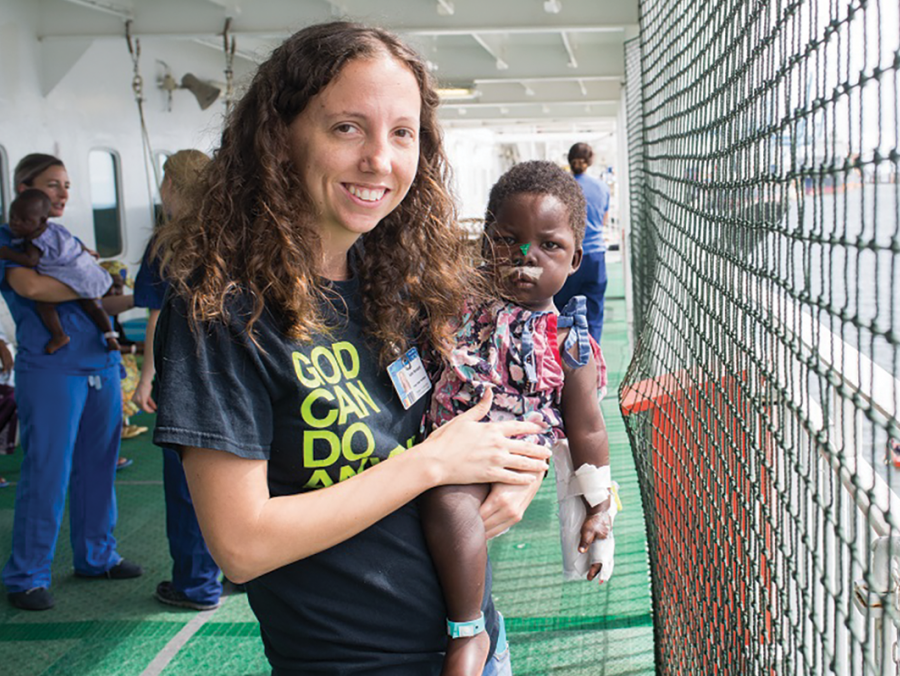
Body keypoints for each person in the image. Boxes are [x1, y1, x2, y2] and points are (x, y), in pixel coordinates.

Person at [151, 21, 551, 674]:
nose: (380, 160)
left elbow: (448, 424)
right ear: (281, 137)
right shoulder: (223, 312)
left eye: (402, 133)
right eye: (347, 127)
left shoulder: (399, 280)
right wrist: (432, 466)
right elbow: (243, 545)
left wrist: (514, 470)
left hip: (474, 644)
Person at [424, 161, 617, 675]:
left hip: (498, 454)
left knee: (449, 505)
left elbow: (588, 428)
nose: (525, 257)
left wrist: (600, 504)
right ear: (486, 243)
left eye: (548, 246)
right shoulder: (458, 306)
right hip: (445, 438)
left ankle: (468, 633)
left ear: (575, 258)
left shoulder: (566, 340)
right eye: (509, 241)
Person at [0, 153, 142, 612]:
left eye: (66, 185)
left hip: (98, 367)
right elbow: (32, 289)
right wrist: (92, 283)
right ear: (26, 189)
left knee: (99, 467)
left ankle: (97, 556)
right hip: (52, 371)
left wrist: (146, 294)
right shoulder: (10, 240)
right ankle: (27, 576)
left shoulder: (67, 239)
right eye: (52, 184)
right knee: (46, 473)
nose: (63, 193)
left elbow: (99, 302)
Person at [133, 149, 223, 612]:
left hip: (186, 380)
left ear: (171, 185)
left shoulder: (165, 244)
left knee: (189, 483)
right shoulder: (233, 235)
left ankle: (196, 584)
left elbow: (155, 319)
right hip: (234, 375)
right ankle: (240, 571)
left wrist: (146, 379)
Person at [0, 190, 120, 355]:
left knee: (44, 306)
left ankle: (59, 335)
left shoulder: (34, 240)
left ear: (41, 220)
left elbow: (30, 261)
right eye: (12, 217)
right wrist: (86, 251)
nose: (15, 223)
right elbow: (76, 244)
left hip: (70, 275)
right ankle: (110, 336)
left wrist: (7, 253)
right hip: (83, 269)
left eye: (24, 220)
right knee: (92, 306)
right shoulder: (58, 229)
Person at [554, 142, 611, 345]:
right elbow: (603, 220)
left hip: (566, 258)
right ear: (590, 161)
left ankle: (560, 362)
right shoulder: (602, 187)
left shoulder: (559, 188)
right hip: (595, 259)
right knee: (593, 314)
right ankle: (591, 363)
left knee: (561, 312)